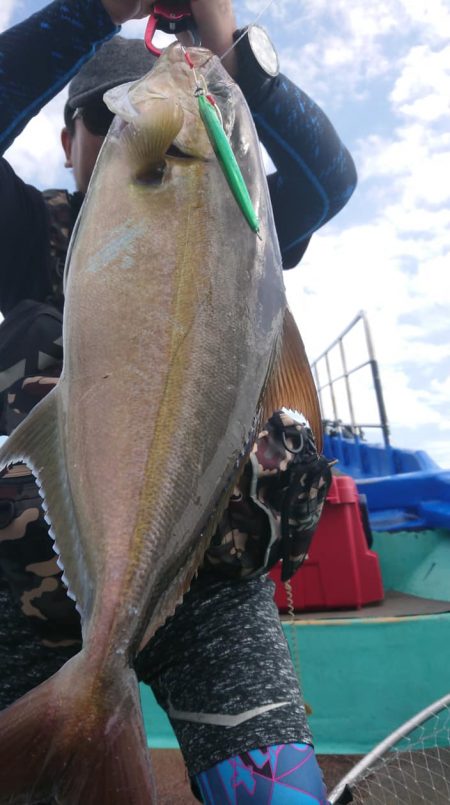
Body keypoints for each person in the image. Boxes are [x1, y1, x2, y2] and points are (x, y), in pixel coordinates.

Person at [0, 1, 357, 802]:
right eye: (102, 113)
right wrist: (93, 11)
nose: (132, 120)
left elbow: (331, 180)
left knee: (280, 789)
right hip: (34, 603)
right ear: (67, 142)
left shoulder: (242, 215)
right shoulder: (30, 232)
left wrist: (232, 57)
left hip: (206, 588)